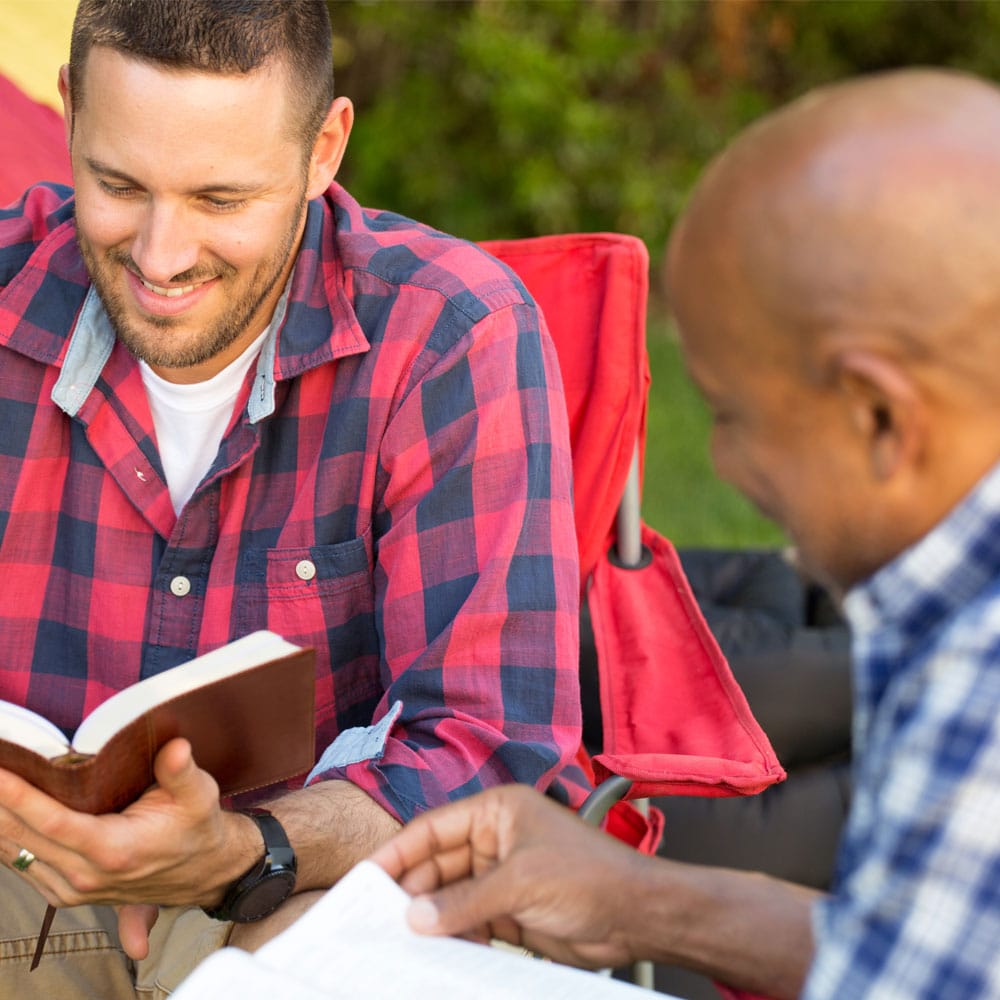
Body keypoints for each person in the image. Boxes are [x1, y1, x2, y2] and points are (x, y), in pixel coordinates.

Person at [373, 67, 1000, 999]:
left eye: (734, 415)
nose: (719, 460)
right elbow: (912, 950)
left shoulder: (974, 682)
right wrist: (637, 901)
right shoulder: (942, 611)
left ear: (879, 417)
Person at [0, 1, 581, 995]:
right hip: (19, 886)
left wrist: (242, 847)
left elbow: (495, 757)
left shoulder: (448, 333)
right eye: (115, 183)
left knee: (347, 962)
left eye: (220, 198)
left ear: (323, 150)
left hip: (292, 893)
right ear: (67, 114)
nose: (160, 254)